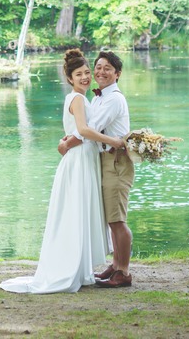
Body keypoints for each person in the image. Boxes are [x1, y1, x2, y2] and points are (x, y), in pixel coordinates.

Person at [0, 49, 124, 294]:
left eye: (88, 72)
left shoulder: (83, 98)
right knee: (75, 212)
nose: (87, 77)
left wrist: (69, 140)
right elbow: (85, 131)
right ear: (70, 78)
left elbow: (79, 131)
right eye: (79, 74)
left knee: (79, 212)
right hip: (79, 160)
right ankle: (71, 269)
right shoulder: (77, 99)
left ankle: (80, 268)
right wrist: (114, 141)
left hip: (85, 158)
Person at [58, 50, 134, 288]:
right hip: (101, 160)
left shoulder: (113, 98)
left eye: (106, 69)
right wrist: (71, 136)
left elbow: (90, 128)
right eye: (98, 67)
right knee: (110, 217)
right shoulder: (97, 97)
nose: (99, 72)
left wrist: (67, 143)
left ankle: (123, 271)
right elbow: (85, 127)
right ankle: (115, 265)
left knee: (117, 219)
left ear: (117, 74)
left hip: (115, 160)